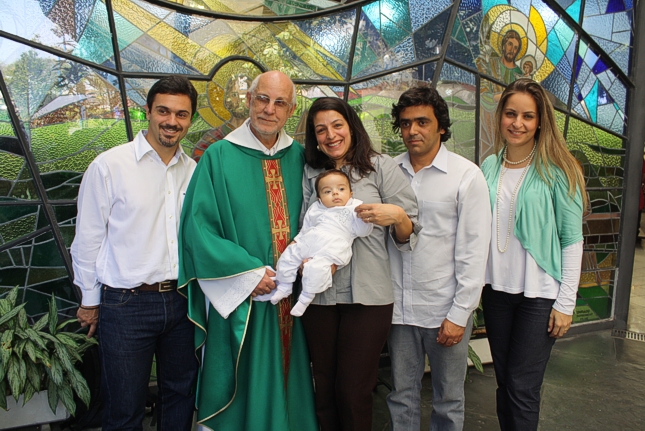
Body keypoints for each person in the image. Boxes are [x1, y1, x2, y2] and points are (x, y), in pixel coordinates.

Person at [177, 70, 318, 431]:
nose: (269, 110)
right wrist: (249, 273)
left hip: (294, 299)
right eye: (262, 99)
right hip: (244, 296)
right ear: (249, 100)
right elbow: (198, 229)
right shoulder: (218, 156)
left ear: (291, 111)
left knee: (291, 384)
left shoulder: (301, 156)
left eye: (280, 103)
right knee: (242, 385)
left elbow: (322, 219)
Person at [72, 75, 199, 431]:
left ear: (190, 119)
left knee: (180, 396)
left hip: (182, 301)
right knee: (125, 407)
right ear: (148, 111)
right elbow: (88, 238)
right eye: (163, 111)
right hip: (126, 304)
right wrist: (89, 300)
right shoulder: (110, 166)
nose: (171, 121)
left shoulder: (194, 171)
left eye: (181, 114)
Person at [300, 97, 419, 431]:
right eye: (321, 130)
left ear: (352, 126)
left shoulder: (381, 167)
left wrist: (395, 215)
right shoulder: (310, 172)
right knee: (324, 388)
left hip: (368, 297)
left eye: (337, 125)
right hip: (320, 297)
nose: (330, 135)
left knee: (354, 391)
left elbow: (410, 231)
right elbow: (303, 226)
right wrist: (304, 259)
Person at [480, 78, 586, 431]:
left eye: (528, 116)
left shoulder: (559, 169)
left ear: (540, 121)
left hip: (539, 296)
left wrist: (565, 303)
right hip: (495, 292)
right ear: (500, 115)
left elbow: (572, 240)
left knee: (523, 387)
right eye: (511, 114)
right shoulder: (489, 166)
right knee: (504, 382)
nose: (518, 123)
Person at [385, 85, 492, 431]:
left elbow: (475, 249)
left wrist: (460, 313)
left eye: (422, 122)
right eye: (405, 123)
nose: (412, 130)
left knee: (448, 400)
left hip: (443, 309)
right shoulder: (388, 172)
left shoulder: (466, 176)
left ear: (441, 126)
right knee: (401, 396)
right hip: (399, 310)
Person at [271, 169, 373, 316]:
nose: (335, 193)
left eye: (341, 189)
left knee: (316, 268)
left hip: (333, 247)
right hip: (310, 240)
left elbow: (363, 232)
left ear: (350, 194)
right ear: (319, 198)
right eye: (327, 191)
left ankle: (305, 298)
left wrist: (364, 219)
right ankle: (284, 285)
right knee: (288, 256)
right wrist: (296, 242)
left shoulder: (354, 208)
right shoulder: (315, 208)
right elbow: (306, 228)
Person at [191, 73, 251, 162]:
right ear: (227, 99)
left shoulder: (258, 136)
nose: (239, 100)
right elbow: (199, 162)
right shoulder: (213, 137)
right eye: (234, 95)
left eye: (244, 95)